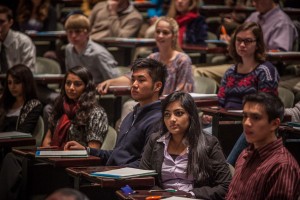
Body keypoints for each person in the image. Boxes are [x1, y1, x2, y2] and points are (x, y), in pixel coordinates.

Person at [0, 66, 109, 200]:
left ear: (87, 87)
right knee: (12, 158)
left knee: (18, 168)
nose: (71, 88)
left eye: (77, 84)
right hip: (53, 158)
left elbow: (93, 151)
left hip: (72, 166)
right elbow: (48, 139)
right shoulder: (60, 106)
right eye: (68, 83)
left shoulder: (96, 112)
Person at [64, 58, 167, 167]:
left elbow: (145, 164)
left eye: (141, 80)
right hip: (113, 174)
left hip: (128, 181)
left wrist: (110, 171)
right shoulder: (131, 115)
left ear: (157, 86)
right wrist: (87, 150)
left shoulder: (158, 120)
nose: (134, 85)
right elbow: (117, 155)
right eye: (133, 80)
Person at [97, 17, 194, 123]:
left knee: (130, 107)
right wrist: (110, 82)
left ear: (174, 36)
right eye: (158, 32)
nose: (160, 36)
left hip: (170, 108)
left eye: (165, 33)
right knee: (128, 108)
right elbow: (131, 77)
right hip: (150, 104)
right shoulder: (153, 57)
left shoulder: (183, 60)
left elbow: (183, 93)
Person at [140, 91, 232, 199]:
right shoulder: (155, 141)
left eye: (178, 113)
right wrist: (164, 195)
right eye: (167, 114)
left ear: (191, 115)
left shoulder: (209, 143)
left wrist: (190, 194)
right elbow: (144, 179)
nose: (172, 119)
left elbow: (225, 185)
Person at [226, 92, 300, 199]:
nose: (247, 123)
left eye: (255, 118)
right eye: (245, 116)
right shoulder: (244, 154)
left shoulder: (282, 166)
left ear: (274, 124)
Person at [203, 22, 279, 124]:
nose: (242, 45)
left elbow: (266, 107)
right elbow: (220, 101)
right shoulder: (230, 71)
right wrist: (210, 114)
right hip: (224, 121)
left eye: (247, 41)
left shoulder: (265, 70)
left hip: (248, 124)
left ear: (257, 44)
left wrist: (234, 120)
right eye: (239, 40)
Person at [0, 64, 42, 161]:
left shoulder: (33, 104)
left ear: (26, 83)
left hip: (16, 152)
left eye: (17, 82)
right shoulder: (4, 103)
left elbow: (23, 134)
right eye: (9, 83)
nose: (12, 87)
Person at [64, 14, 119, 84]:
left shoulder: (99, 53)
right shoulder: (68, 49)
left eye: (78, 31)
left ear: (87, 32)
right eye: (70, 32)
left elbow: (114, 81)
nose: (73, 36)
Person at [0, 5, 36, 73]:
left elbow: (28, 74)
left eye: (1, 22)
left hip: (19, 83)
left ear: (10, 22)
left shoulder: (24, 42)